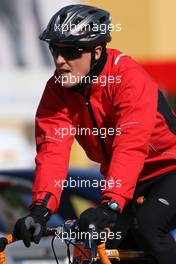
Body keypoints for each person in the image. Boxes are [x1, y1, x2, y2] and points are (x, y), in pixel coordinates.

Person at [13, 4, 176, 264]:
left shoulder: (128, 78)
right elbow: (52, 151)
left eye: (70, 52)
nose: (59, 61)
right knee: (103, 249)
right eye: (55, 49)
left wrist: (110, 204)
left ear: (97, 51)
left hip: (169, 170)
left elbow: (130, 145)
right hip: (130, 182)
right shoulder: (58, 90)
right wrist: (40, 209)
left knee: (148, 226)